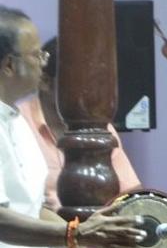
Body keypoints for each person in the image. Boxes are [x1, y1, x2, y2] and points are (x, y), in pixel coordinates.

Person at [0, 5, 146, 248]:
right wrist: (75, 234)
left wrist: (95, 247)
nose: (43, 62)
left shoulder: (14, 120)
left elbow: (32, 208)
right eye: (37, 55)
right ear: (9, 65)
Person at [17, 38, 141, 212]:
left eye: (93, 82)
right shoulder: (17, 122)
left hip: (97, 225)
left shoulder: (99, 125)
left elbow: (130, 192)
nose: (88, 91)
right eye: (77, 82)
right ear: (45, 82)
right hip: (41, 226)